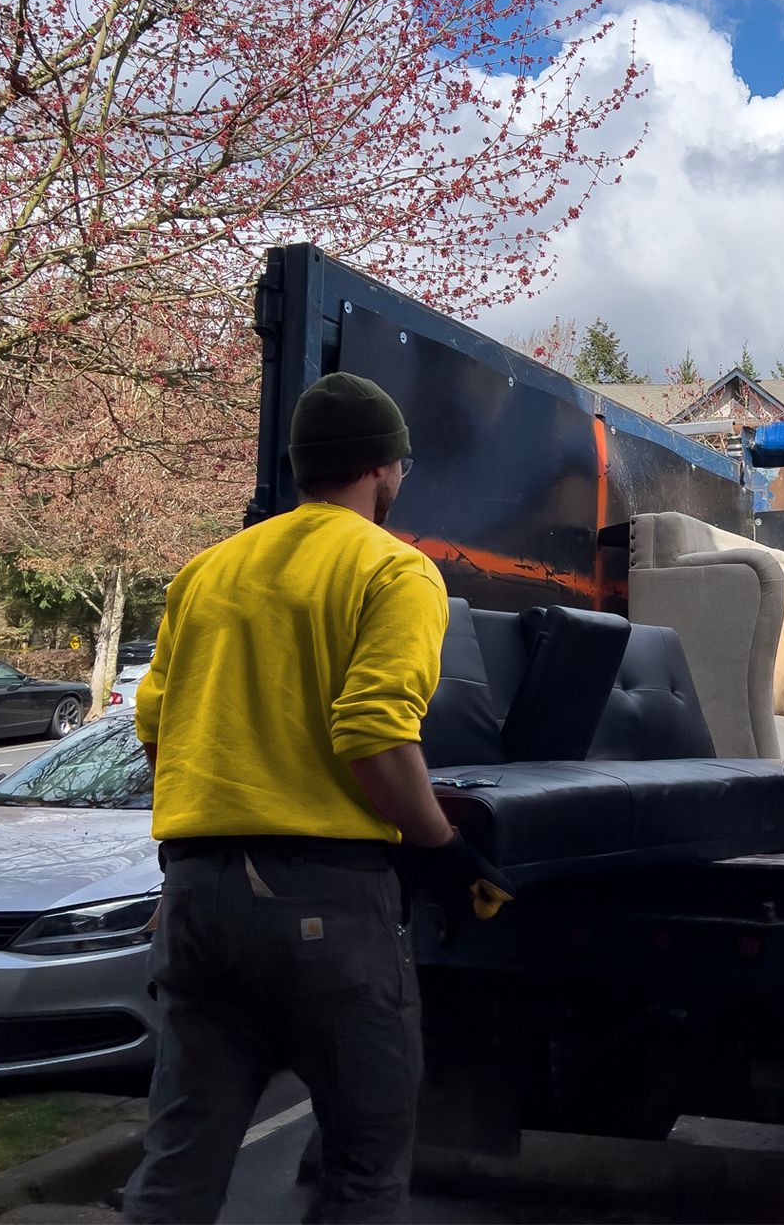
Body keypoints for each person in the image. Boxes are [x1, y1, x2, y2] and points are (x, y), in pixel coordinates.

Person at [123, 372, 511, 1225]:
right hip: (325, 903)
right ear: (385, 469)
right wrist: (443, 847)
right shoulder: (394, 571)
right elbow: (372, 732)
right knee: (364, 1168)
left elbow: (157, 726)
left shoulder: (208, 571)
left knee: (180, 1161)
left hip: (195, 895)